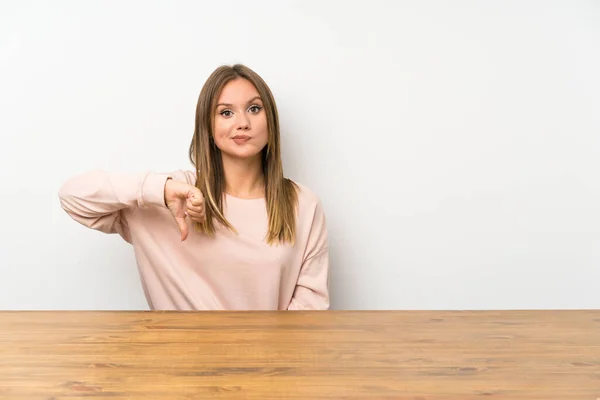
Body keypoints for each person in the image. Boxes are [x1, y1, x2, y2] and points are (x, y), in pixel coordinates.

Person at [58, 64, 330, 311]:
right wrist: (159, 190)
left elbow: (310, 308)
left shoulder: (303, 204)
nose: (242, 123)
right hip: (180, 362)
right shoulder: (170, 196)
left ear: (270, 121)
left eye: (254, 109)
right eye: (226, 112)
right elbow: (73, 196)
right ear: (208, 127)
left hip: (269, 362)